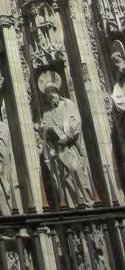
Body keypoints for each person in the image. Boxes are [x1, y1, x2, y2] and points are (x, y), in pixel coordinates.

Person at [37, 72, 94, 207]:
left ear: (57, 91)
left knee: (77, 173)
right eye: (47, 93)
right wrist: (44, 129)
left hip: (71, 148)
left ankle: (86, 202)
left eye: (52, 92)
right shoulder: (47, 112)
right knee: (63, 180)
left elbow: (76, 123)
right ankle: (71, 205)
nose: (50, 95)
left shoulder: (68, 104)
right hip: (57, 152)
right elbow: (44, 132)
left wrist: (66, 136)